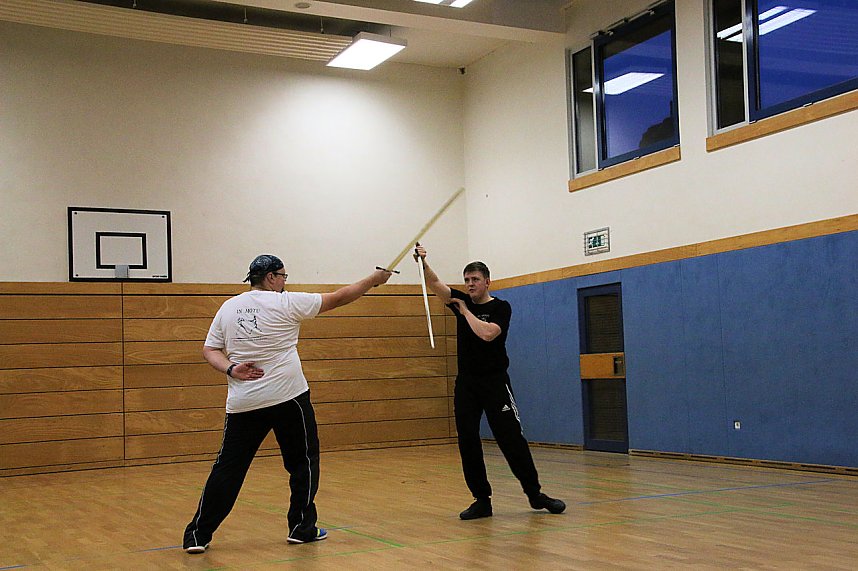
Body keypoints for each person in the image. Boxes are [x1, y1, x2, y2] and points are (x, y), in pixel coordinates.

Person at [183, 254, 392, 553]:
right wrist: (374, 280)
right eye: (282, 276)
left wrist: (231, 369)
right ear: (270, 277)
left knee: (228, 469)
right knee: (303, 462)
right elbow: (338, 298)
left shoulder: (228, 307)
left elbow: (210, 349)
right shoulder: (286, 302)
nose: (284, 281)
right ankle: (301, 528)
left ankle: (197, 536)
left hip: (244, 402)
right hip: (288, 398)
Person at [414, 244, 565, 520]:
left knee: (511, 439)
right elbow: (435, 283)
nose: (470, 284)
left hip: (495, 383)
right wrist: (424, 262)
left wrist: (465, 312)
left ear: (487, 282)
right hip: (467, 385)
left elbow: (487, 334)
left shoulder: (501, 308)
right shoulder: (460, 300)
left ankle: (535, 494)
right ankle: (481, 500)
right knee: (468, 440)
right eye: (467, 280)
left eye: (475, 280)